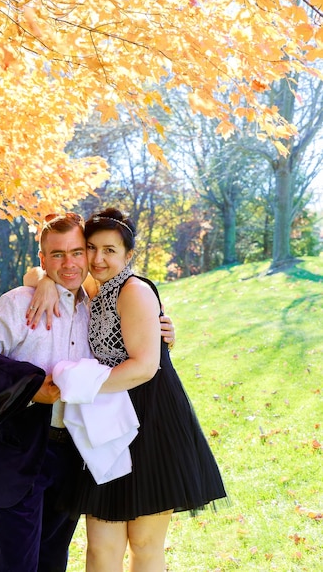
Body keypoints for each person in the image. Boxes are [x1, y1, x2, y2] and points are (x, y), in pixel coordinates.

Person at [0, 212, 175, 572]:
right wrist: (33, 389)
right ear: (42, 260)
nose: (71, 262)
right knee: (18, 562)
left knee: (53, 557)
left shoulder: (94, 305)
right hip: (23, 449)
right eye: (57, 255)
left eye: (77, 252)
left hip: (75, 450)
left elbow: (132, 338)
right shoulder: (17, 303)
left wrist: (164, 330)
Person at [27, 208, 228, 572]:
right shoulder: (94, 287)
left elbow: (146, 367)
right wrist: (43, 279)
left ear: (127, 255)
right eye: (91, 248)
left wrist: (78, 386)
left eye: (110, 250)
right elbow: (42, 268)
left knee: (144, 543)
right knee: (101, 547)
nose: (98, 258)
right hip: (108, 420)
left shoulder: (135, 290)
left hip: (151, 421)